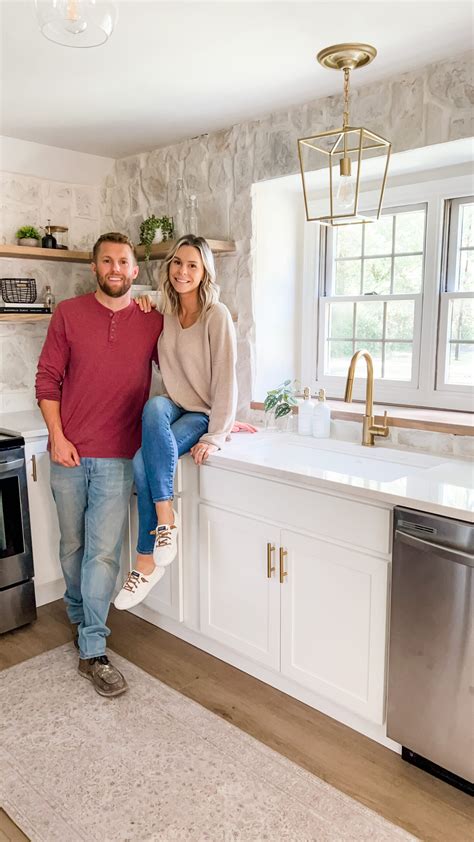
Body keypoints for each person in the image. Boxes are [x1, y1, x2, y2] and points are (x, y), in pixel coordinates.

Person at [35, 232, 163, 698]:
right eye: (106, 260)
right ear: (95, 267)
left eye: (123, 261)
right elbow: (47, 379)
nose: (114, 268)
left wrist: (218, 421)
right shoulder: (69, 313)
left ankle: (92, 647)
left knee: (103, 553)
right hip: (68, 451)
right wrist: (57, 436)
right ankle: (78, 612)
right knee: (72, 545)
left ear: (134, 271)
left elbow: (183, 367)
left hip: (116, 456)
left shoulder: (153, 322)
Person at [114, 235, 241, 610]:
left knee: (140, 463)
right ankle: (166, 518)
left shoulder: (216, 315)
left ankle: (145, 562)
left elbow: (226, 379)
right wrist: (143, 297)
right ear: (169, 268)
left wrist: (216, 434)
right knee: (154, 406)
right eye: (177, 264)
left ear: (204, 273)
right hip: (174, 405)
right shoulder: (165, 308)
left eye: (192, 266)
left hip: (201, 414)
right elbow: (149, 296)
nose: (183, 272)